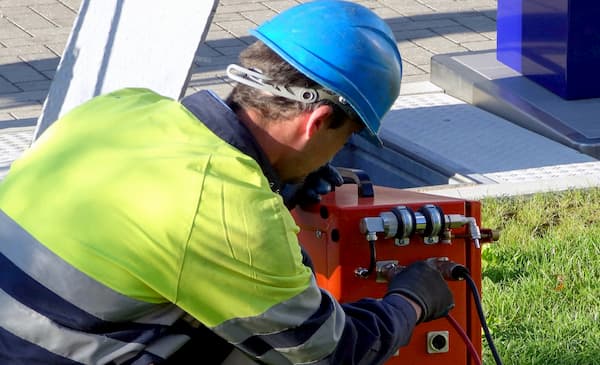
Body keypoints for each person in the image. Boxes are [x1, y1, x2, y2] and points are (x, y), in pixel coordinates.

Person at [0, 1, 454, 364]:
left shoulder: (125, 105)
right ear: (317, 121)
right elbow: (327, 352)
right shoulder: (230, 210)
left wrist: (278, 184)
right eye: (347, 138)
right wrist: (410, 301)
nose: (336, 156)